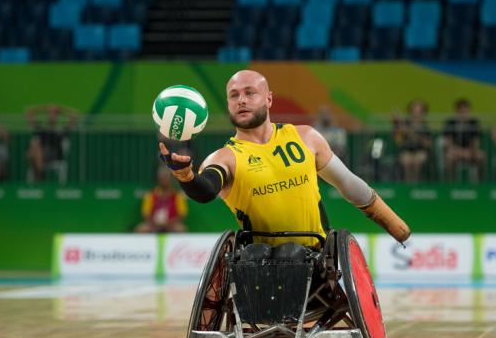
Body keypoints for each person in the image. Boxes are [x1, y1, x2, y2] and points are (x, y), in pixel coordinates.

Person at [158, 70, 410, 248]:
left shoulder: (306, 137)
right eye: (234, 95)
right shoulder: (225, 157)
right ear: (228, 104)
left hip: (317, 258)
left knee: (295, 253)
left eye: (250, 93)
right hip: (258, 262)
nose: (241, 100)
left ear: (268, 99)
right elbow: (206, 190)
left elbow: (348, 183)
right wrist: (186, 177)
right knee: (264, 254)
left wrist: (393, 223)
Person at [25, 103, 80, 183]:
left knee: (34, 149)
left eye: (54, 114)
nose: (51, 116)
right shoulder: (42, 130)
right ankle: (40, 175)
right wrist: (45, 108)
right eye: (49, 114)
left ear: (57, 117)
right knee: (35, 147)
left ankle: (39, 177)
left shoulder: (61, 131)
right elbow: (29, 113)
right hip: (42, 155)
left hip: (55, 156)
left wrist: (60, 109)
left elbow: (75, 115)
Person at [442, 98, 485, 182]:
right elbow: (448, 143)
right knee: (449, 157)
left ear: (469, 110)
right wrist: (461, 152)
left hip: (470, 152)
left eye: (465, 110)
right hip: (455, 152)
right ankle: (450, 184)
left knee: (481, 156)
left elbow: (476, 142)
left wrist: (470, 151)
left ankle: (481, 184)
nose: (463, 112)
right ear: (456, 111)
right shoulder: (450, 122)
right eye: (460, 110)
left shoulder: (474, 122)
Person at [135, 167, 188, 233]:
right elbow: (146, 213)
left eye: (166, 178)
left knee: (180, 229)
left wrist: (169, 224)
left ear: (170, 179)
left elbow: (181, 214)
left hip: (172, 225)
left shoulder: (178, 196)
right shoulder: (150, 195)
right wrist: (154, 224)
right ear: (158, 179)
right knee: (141, 229)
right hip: (153, 225)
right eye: (162, 178)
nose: (164, 180)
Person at [393, 99, 433, 183]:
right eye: (414, 111)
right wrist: (397, 125)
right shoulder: (405, 124)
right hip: (407, 151)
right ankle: (408, 185)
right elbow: (398, 140)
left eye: (419, 111)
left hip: (421, 151)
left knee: (418, 161)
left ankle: (416, 184)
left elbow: (428, 144)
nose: (416, 113)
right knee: (407, 161)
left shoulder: (425, 126)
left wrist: (413, 134)